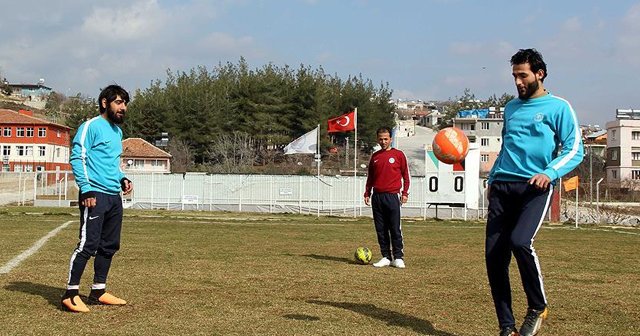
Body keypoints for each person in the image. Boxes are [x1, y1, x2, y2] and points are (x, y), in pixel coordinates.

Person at [486, 49, 584, 336]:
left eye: (523, 75)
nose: (517, 81)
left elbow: (575, 149)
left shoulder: (559, 107)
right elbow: (507, 147)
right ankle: (507, 327)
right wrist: (492, 179)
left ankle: (537, 306)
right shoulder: (511, 108)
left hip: (534, 187)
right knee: (494, 259)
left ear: (539, 74)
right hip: (502, 187)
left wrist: (550, 172)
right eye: (514, 75)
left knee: (520, 241)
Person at [62, 84, 133, 313]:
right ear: (105, 102)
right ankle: (70, 293)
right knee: (87, 244)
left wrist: (122, 178)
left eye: (125, 104)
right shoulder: (90, 126)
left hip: (114, 196)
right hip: (94, 195)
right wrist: (86, 189)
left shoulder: (117, 131)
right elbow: (77, 157)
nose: (123, 108)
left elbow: (112, 164)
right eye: (119, 102)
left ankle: (98, 291)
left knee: (109, 245)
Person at [364, 127, 410, 268]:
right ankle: (386, 256)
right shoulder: (375, 156)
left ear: (391, 139)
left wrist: (405, 193)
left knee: (394, 228)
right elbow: (371, 177)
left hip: (392, 196)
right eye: (380, 139)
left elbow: (406, 176)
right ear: (377, 139)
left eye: (386, 139)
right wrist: (367, 193)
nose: (383, 141)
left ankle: (398, 257)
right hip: (377, 197)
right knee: (381, 229)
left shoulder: (398, 155)